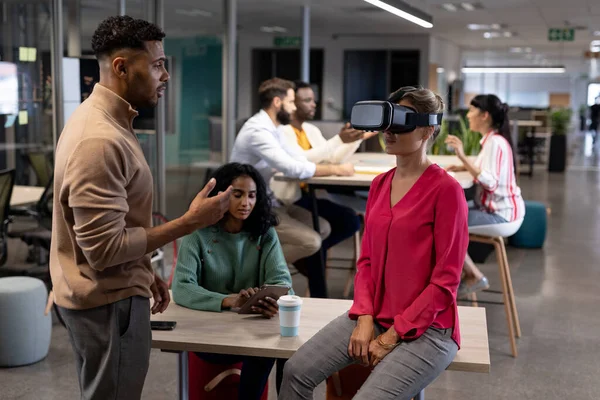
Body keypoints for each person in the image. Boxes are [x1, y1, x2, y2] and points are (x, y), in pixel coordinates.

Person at [50, 16, 231, 400]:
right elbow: (103, 251)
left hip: (108, 290)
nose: (165, 75)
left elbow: (116, 224)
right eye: (157, 64)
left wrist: (144, 269)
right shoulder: (99, 140)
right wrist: (189, 223)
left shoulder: (103, 119)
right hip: (107, 302)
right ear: (121, 67)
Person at [279, 87, 469, 400]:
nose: (389, 132)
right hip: (376, 315)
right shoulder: (381, 184)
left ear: (428, 129)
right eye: (387, 121)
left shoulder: (447, 191)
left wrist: (392, 336)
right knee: (295, 373)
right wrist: (365, 319)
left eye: (401, 122)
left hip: (430, 328)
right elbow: (366, 261)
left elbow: (445, 282)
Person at [172, 163, 291, 400]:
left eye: (252, 195)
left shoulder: (264, 233)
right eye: (237, 194)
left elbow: (282, 280)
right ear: (221, 196)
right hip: (209, 332)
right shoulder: (198, 232)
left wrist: (271, 301)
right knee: (264, 351)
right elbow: (182, 287)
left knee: (288, 351)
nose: (245, 203)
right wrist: (229, 300)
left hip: (253, 326)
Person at [230, 77, 354, 298]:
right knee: (313, 241)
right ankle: (254, 272)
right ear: (277, 102)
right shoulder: (258, 131)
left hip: (269, 201)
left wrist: (333, 165)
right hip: (250, 206)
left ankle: (263, 265)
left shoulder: (275, 129)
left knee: (323, 228)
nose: (294, 107)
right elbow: (291, 168)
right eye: (290, 102)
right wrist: (335, 170)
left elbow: (298, 158)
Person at [276, 81, 380, 288]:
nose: (313, 104)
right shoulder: (282, 132)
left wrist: (356, 138)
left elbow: (331, 158)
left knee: (350, 220)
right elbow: (302, 160)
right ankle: (317, 284)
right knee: (323, 227)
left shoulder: (310, 130)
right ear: (292, 103)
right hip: (289, 198)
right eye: (307, 100)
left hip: (306, 196)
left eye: (313, 100)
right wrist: (338, 139)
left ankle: (310, 256)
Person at [445, 94, 525, 296]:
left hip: (501, 215)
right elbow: (486, 168)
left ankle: (473, 275)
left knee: (443, 224)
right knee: (445, 216)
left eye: (472, 111)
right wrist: (463, 164)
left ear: (484, 116)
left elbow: (490, 181)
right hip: (493, 209)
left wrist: (462, 155)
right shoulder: (492, 141)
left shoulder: (495, 143)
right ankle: (465, 276)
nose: (468, 116)